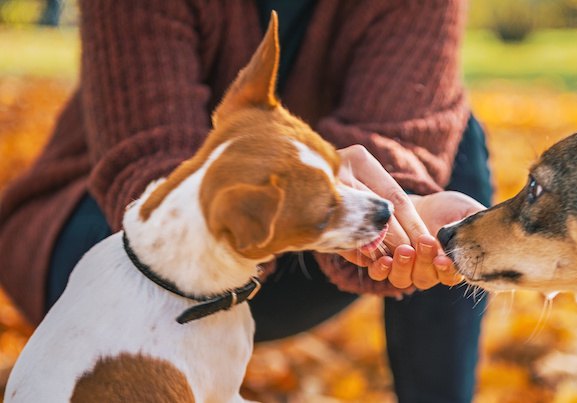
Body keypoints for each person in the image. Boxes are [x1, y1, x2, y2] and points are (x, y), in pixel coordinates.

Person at [0, 1, 493, 402]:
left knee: (461, 140)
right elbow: (148, 152)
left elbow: (398, 134)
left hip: (282, 245)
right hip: (114, 228)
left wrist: (408, 209)